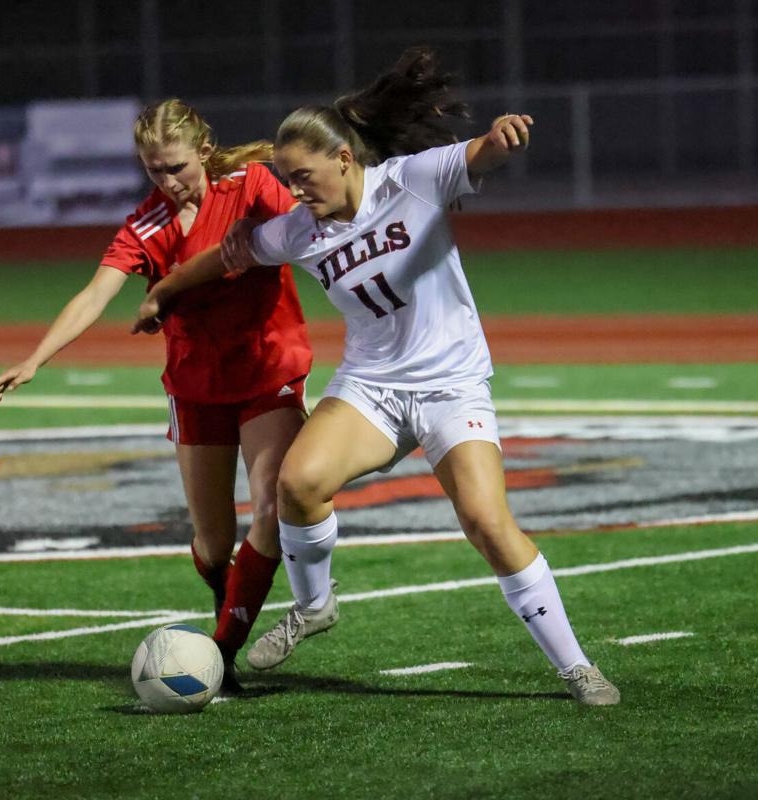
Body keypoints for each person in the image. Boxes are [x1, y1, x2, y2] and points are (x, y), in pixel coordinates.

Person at [133, 49, 620, 705]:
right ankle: (313, 607)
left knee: (485, 521)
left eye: (304, 176)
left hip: (450, 385)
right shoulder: (300, 230)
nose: (295, 190)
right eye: (286, 179)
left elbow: (475, 155)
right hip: (372, 387)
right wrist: (162, 291)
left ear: (344, 159)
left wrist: (501, 140)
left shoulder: (410, 181)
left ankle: (577, 667)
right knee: (297, 482)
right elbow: (227, 256)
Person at [0, 99, 311, 693]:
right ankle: (225, 601)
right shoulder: (147, 224)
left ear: (205, 154)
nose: (165, 182)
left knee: (270, 507)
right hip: (197, 386)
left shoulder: (252, 185)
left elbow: (305, 225)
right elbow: (95, 294)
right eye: (152, 170)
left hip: (270, 371)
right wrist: (36, 358)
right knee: (215, 545)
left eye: (176, 168)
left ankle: (224, 650)